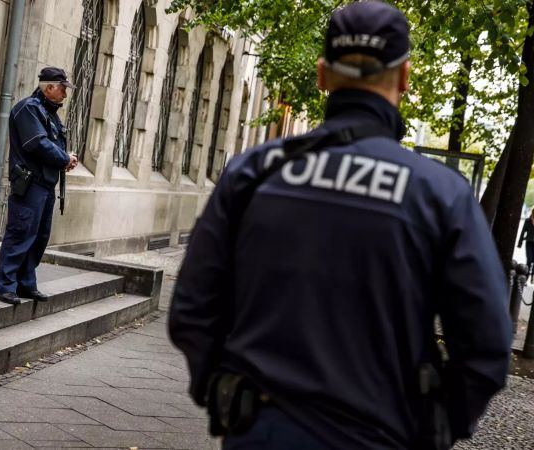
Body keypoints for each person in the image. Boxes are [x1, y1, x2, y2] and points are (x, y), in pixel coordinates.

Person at [167, 2, 512, 449]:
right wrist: (437, 427)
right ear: (404, 77)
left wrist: (220, 390)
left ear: (322, 75)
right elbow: (486, 344)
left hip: (262, 429)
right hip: (380, 432)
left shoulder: (256, 171)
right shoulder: (439, 193)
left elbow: (193, 306)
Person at [0, 67, 79, 305]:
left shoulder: (49, 112)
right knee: (20, 234)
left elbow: (51, 146)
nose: (65, 94)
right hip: (30, 184)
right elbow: (38, 144)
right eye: (63, 88)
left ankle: (25, 284)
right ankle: (6, 286)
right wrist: (64, 159)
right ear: (50, 87)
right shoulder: (29, 109)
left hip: (45, 185)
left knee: (39, 237)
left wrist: (66, 159)